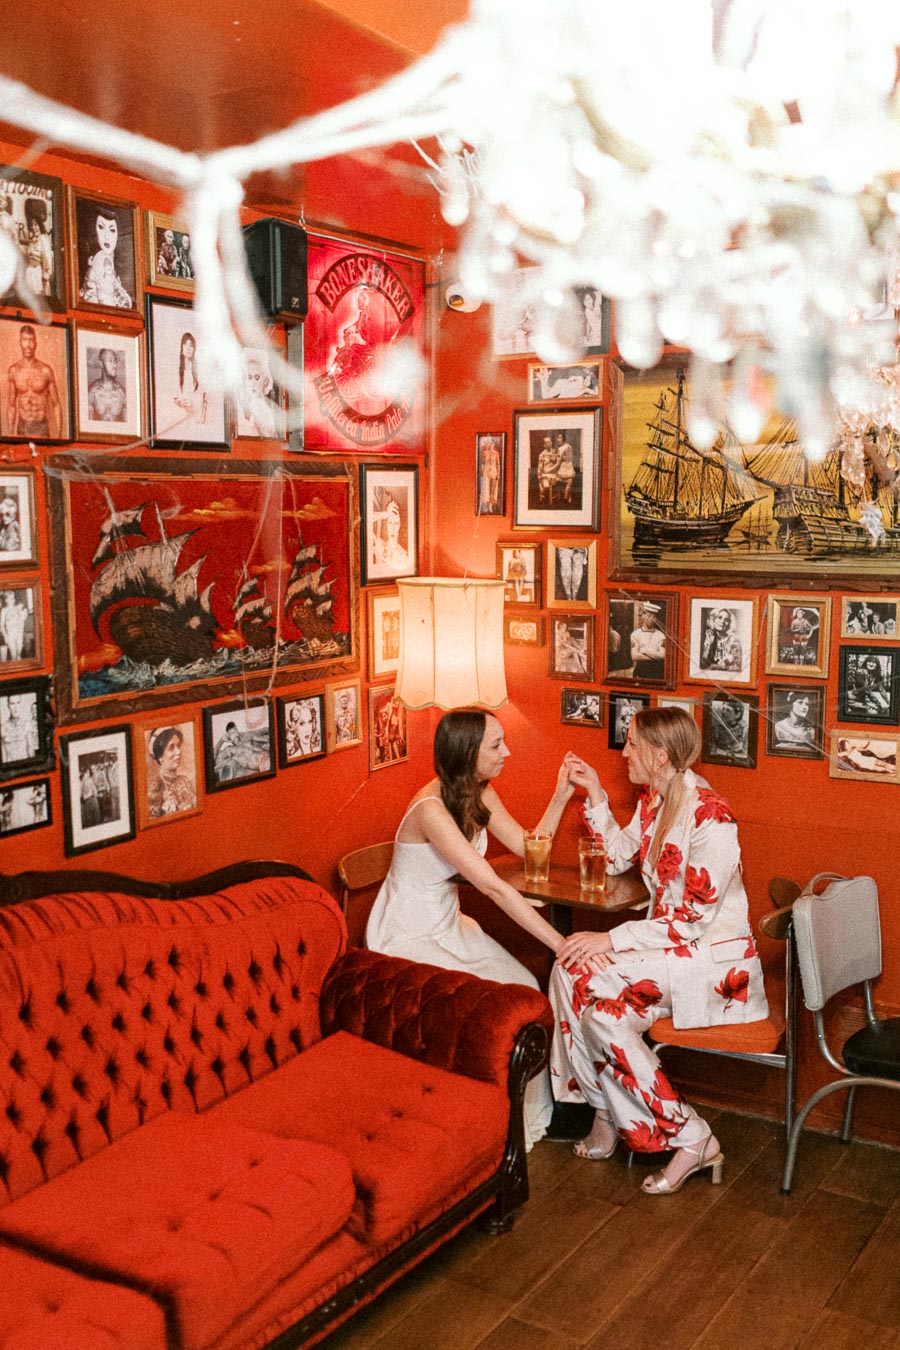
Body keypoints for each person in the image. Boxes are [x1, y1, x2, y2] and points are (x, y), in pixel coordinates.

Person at [551, 707, 768, 1193]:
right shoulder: (654, 800)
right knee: (585, 992)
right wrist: (596, 792)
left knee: (582, 974)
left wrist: (609, 939)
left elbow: (692, 919)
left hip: (713, 965)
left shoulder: (711, 815)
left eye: (632, 744)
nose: (623, 753)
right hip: (669, 954)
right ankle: (608, 1112)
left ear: (661, 755)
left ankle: (690, 1137)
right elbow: (616, 858)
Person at [366, 709, 593, 1150]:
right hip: (407, 936)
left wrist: (561, 795)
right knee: (492, 1001)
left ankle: (522, 1117)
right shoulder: (430, 810)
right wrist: (561, 943)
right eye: (496, 745)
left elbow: (529, 849)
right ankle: (483, 1121)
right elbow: (492, 887)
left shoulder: (479, 792)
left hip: (449, 927)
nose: (507, 752)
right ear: (468, 753)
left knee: (524, 986)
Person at [6, 323, 62, 437]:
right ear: (20, 342)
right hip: (22, 428)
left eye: (31, 340)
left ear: (35, 343)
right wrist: (10, 435)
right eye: (25, 340)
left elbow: (56, 404)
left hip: (42, 428)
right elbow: (11, 405)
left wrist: (59, 435)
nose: (28, 344)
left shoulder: (46, 370)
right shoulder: (14, 371)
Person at [79, 205, 132, 308]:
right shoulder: (103, 258)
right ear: (93, 230)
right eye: (101, 227)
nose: (107, 236)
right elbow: (108, 304)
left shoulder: (101, 259)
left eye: (112, 230)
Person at [147, 726, 197, 817]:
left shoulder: (184, 781)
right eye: (171, 748)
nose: (178, 751)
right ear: (160, 756)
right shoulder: (155, 787)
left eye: (178, 746)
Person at [235, 347, 282, 438]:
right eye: (249, 377)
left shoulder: (258, 406)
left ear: (265, 381)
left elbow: (266, 440)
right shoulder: (254, 405)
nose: (252, 383)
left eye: (257, 378)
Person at [173, 332, 207, 426]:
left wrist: (202, 417)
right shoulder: (177, 371)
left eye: (191, 345)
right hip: (184, 417)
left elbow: (204, 398)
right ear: (182, 347)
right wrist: (180, 403)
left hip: (199, 417)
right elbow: (175, 398)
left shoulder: (199, 370)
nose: (188, 348)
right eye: (185, 344)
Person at [86, 347, 127, 423]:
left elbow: (128, 427)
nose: (114, 365)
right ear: (101, 364)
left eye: (115, 361)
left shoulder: (122, 393)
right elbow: (88, 425)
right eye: (110, 361)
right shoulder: (93, 391)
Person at [22, 197, 52, 296]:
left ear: (40, 225)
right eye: (32, 225)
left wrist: (45, 275)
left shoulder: (43, 240)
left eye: (36, 225)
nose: (34, 228)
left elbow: (47, 259)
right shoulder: (33, 241)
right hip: (30, 273)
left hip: (38, 275)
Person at [630, 601, 666, 681]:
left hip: (657, 672)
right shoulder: (635, 634)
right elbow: (634, 656)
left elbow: (662, 655)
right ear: (643, 615)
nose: (652, 619)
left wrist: (644, 651)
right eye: (649, 615)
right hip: (641, 671)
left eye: (654, 617)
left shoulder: (661, 635)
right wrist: (655, 655)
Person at [700, 606, 743, 671]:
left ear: (729, 623)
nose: (722, 621)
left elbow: (738, 667)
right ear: (713, 619)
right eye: (719, 617)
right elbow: (703, 662)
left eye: (726, 620)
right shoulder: (709, 636)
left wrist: (719, 667)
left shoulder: (733, 640)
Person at [0, 588, 28, 661]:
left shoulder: (18, 608)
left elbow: (22, 619)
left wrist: (24, 612)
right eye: (11, 599)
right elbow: (1, 625)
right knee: (14, 656)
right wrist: (6, 636)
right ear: (6, 600)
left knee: (19, 655)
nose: (14, 600)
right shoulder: (4, 611)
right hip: (10, 635)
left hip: (19, 633)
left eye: (14, 598)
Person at [479, 437, 501, 512]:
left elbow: (498, 464)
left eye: (492, 443)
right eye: (490, 443)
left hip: (493, 472)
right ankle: (485, 505)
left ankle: (490, 505)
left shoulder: (496, 453)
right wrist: (482, 471)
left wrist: (498, 473)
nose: (491, 445)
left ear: (494, 445)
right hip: (486, 472)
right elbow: (482, 463)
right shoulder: (485, 453)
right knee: (486, 488)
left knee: (493, 489)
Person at [537, 436, 559, 505]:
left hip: (554, 474)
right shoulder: (542, 455)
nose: (550, 443)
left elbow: (558, 463)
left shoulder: (555, 452)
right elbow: (540, 466)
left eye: (550, 442)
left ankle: (553, 494)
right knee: (546, 487)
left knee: (556, 484)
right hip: (545, 475)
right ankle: (543, 491)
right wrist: (539, 477)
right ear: (544, 445)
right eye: (548, 442)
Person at [554, 431, 576, 503]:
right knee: (570, 480)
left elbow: (558, 462)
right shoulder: (569, 446)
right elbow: (569, 458)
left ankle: (565, 493)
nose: (558, 440)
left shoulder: (561, 449)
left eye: (560, 438)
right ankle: (567, 494)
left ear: (563, 438)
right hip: (569, 469)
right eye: (558, 438)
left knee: (563, 477)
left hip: (564, 469)